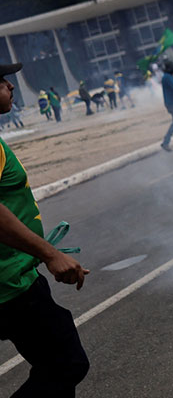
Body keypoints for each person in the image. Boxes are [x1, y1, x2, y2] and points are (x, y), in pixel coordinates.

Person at [0, 62, 90, 396]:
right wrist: (50, 254)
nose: (10, 86)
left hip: (16, 273)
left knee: (54, 370)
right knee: (66, 363)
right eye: (1, 81)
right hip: (9, 283)